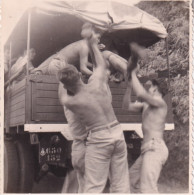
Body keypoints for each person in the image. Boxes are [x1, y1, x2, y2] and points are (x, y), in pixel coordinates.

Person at [58, 32, 130, 193]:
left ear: (66, 86)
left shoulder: (71, 102)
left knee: (94, 186)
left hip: (99, 139)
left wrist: (64, 70)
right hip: (117, 133)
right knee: (121, 185)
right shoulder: (97, 83)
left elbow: (62, 90)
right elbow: (101, 66)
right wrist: (93, 45)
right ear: (79, 75)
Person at [122, 54, 169, 193]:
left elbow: (142, 94)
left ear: (155, 88)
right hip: (147, 149)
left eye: (150, 85)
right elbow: (126, 106)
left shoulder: (160, 103)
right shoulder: (145, 105)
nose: (148, 86)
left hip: (155, 148)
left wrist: (132, 73)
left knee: (147, 189)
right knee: (130, 181)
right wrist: (129, 87)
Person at [32, 22, 98, 76]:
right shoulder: (84, 47)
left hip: (55, 64)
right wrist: (97, 75)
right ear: (92, 36)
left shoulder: (81, 43)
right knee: (70, 86)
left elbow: (85, 62)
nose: (99, 41)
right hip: (58, 66)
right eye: (98, 38)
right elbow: (83, 68)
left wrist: (94, 65)